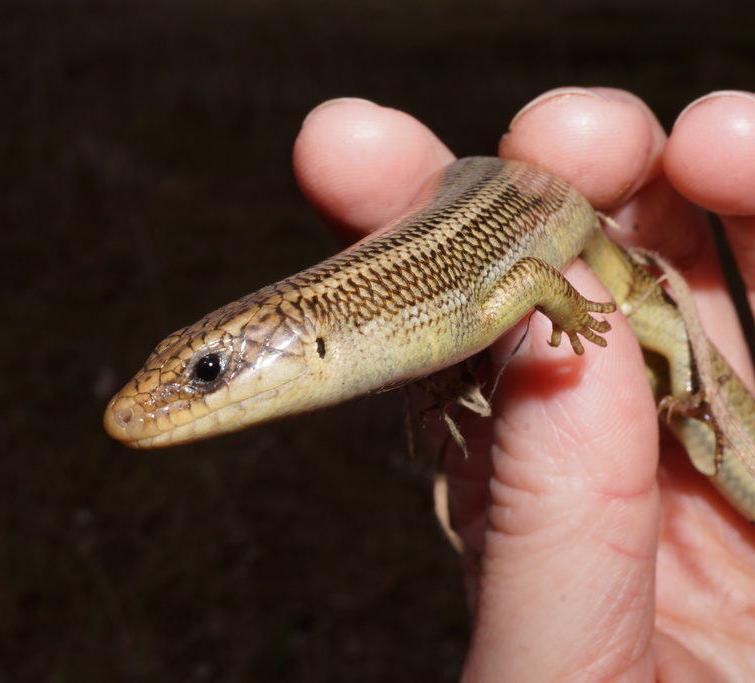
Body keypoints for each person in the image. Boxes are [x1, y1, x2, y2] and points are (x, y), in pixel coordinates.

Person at [293, 88, 755, 681]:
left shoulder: (464, 307)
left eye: (209, 371)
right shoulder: (419, 318)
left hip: (585, 255)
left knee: (684, 367)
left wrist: (576, 318)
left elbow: (534, 276)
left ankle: (700, 405)